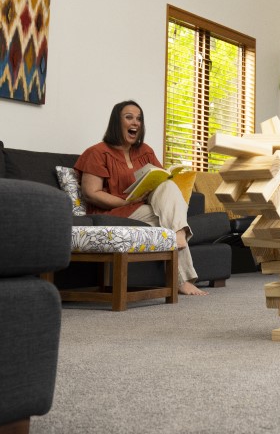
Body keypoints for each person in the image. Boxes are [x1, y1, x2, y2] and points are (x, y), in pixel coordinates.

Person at [74, 100, 208, 296]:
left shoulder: (145, 151)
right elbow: (91, 193)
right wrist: (125, 201)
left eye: (139, 119)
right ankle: (182, 278)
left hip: (142, 206)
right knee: (165, 221)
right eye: (129, 117)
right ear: (116, 122)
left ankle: (179, 232)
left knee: (168, 184)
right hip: (116, 210)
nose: (135, 122)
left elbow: (161, 181)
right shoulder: (97, 152)